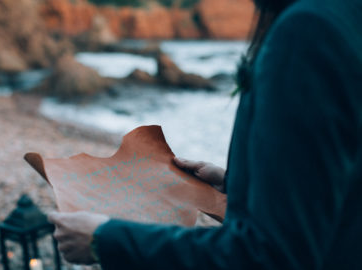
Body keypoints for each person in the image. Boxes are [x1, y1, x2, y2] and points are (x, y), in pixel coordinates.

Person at [47, 0, 362, 269]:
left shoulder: (306, 33)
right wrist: (238, 187)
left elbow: (269, 256)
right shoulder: (343, 15)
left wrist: (105, 239)